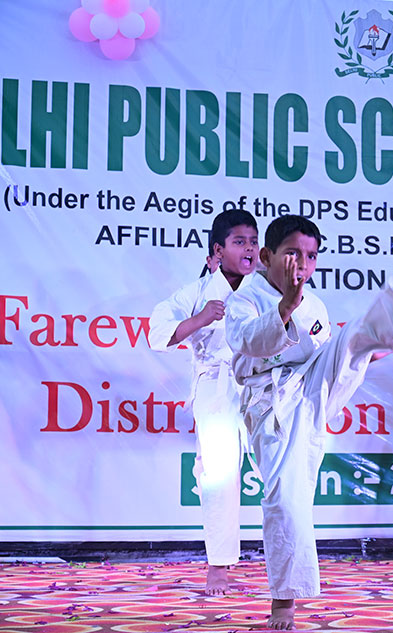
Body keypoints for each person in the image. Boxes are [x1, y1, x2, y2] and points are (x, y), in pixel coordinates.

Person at [225, 215, 393, 631]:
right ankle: (284, 603)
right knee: (286, 498)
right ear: (266, 256)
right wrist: (285, 307)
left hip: (314, 387)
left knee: (354, 335)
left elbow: (339, 354)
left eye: (311, 256)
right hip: (271, 403)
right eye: (292, 254)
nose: (302, 264)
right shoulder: (244, 298)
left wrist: (373, 346)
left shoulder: (314, 303)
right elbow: (247, 341)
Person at [147, 209, 259, 595]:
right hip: (217, 388)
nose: (249, 249)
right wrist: (200, 318)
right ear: (218, 250)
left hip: (264, 386)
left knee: (284, 469)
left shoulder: (266, 288)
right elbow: (157, 333)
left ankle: (285, 557)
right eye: (239, 242)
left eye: (253, 241)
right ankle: (219, 564)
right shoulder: (196, 293)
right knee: (218, 473)